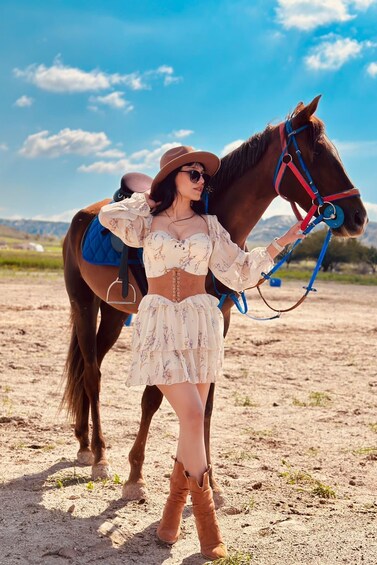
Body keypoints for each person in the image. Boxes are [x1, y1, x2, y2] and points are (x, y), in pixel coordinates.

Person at [98, 145, 305, 560]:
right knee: (192, 415)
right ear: (172, 177)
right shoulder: (144, 221)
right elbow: (108, 215)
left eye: (202, 174)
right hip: (158, 324)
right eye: (190, 172)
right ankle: (207, 522)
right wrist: (151, 197)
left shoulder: (210, 226)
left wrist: (287, 239)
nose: (199, 179)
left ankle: (171, 516)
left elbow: (242, 270)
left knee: (190, 425)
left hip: (200, 326)